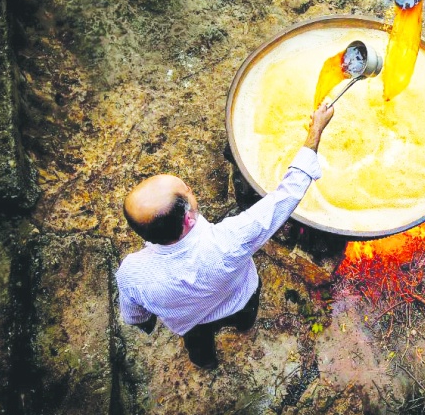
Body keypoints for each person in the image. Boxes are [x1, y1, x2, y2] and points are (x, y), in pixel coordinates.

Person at [116, 104, 335, 369]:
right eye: (187, 190)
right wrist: (315, 131)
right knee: (245, 318)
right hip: (239, 300)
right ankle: (244, 327)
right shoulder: (231, 239)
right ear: (188, 218)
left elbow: (135, 316)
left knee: (198, 346)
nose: (191, 189)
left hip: (191, 324)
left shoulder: (131, 273)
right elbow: (286, 196)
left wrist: (147, 321)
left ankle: (205, 362)